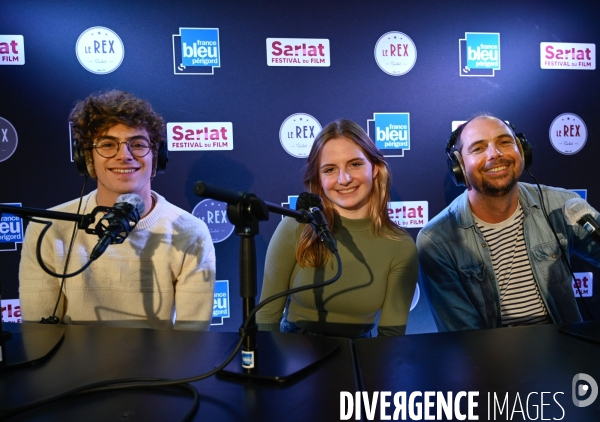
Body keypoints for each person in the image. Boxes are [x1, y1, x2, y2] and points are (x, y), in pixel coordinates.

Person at [19, 90, 216, 331]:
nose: (124, 155)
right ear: (87, 158)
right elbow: (39, 335)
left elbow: (191, 342)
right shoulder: (48, 228)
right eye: (108, 144)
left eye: (138, 144)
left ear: (157, 156)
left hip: (159, 368)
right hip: (73, 368)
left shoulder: (189, 232)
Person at [417, 114, 600, 332]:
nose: (495, 154)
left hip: (565, 352)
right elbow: (464, 337)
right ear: (459, 166)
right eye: (478, 148)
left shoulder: (562, 206)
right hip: (491, 361)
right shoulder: (437, 240)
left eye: (505, 142)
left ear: (522, 151)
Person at [256, 119, 418, 338]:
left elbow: (391, 335)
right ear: (318, 179)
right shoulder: (296, 226)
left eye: (355, 164)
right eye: (330, 169)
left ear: (376, 169)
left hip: (360, 353)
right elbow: (266, 316)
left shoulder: (401, 246)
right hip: (293, 349)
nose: (344, 179)